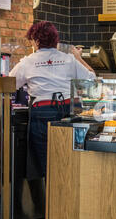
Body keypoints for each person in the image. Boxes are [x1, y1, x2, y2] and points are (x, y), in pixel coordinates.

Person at [10, 21, 96, 181]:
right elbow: (92, 79)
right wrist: (79, 58)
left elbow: (9, 84)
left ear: (35, 40)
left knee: (44, 162)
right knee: (66, 156)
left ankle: (48, 202)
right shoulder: (69, 59)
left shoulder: (28, 62)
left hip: (42, 111)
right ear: (55, 40)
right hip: (68, 111)